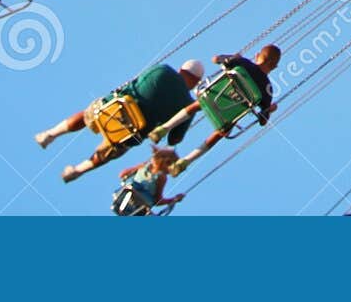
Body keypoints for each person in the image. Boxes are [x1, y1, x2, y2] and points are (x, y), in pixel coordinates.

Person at [35, 59, 206, 183]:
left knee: (89, 114)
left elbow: (139, 81)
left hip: (115, 109)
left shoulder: (163, 70)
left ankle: (51, 134)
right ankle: (77, 171)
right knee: (110, 152)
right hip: (132, 132)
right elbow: (174, 140)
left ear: (181, 69)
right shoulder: (189, 105)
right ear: (196, 82)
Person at [170, 46, 282, 171]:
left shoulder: (244, 62)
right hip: (227, 116)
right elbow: (263, 120)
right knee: (223, 131)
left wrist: (233, 57)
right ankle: (186, 161)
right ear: (274, 67)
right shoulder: (268, 89)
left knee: (200, 102)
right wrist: (270, 109)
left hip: (213, 98)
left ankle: (166, 127)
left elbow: (215, 59)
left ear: (257, 55)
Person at [113, 146, 184, 215]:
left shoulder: (144, 166)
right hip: (139, 198)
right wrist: (173, 199)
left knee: (132, 187)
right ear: (165, 162)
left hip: (133, 196)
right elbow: (157, 200)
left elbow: (122, 174)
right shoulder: (161, 177)